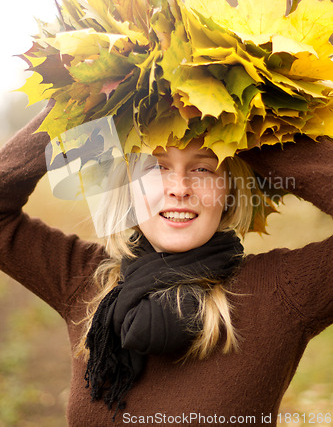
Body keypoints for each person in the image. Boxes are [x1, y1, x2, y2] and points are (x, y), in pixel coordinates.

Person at [0, 100, 332, 427]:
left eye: (203, 167)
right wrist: (81, 104)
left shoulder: (283, 294)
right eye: (156, 167)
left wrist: (256, 129)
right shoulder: (84, 279)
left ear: (229, 188)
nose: (179, 188)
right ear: (129, 186)